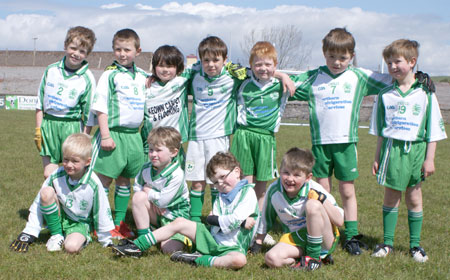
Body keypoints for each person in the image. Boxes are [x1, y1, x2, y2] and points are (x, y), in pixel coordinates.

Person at [290, 27, 394, 255]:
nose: (337, 62)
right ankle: (330, 231)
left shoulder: (359, 76)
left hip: (347, 143)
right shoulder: (313, 77)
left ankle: (352, 235)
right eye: (331, 57)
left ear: (352, 56)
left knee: (347, 190)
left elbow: (394, 79)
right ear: (324, 53)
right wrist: (277, 76)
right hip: (320, 145)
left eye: (343, 58)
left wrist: (419, 78)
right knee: (323, 191)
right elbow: (285, 83)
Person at [112, 152, 259, 270]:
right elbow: (221, 220)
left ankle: (197, 259)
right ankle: (137, 246)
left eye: (223, 177)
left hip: (232, 247)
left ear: (237, 172)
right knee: (179, 222)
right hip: (211, 238)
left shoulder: (248, 193)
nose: (220, 184)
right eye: (215, 182)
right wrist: (232, 221)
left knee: (239, 260)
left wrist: (219, 220)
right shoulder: (222, 194)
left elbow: (230, 220)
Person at [369, 39, 447, 262]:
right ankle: (387, 243)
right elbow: (381, 131)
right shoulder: (385, 94)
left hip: (417, 151)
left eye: (398, 61)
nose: (393, 66)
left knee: (414, 197)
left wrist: (429, 159)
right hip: (392, 150)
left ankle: (415, 246)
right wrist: (377, 157)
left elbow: (433, 129)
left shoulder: (426, 93)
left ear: (412, 62)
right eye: (389, 62)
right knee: (391, 196)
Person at [10, 133, 114, 253]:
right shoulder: (56, 175)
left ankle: (77, 237)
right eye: (66, 159)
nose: (69, 165)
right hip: (60, 217)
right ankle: (56, 235)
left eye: (75, 161)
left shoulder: (94, 183)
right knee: (46, 192)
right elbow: (39, 201)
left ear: (87, 161)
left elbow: (101, 210)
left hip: (79, 223)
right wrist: (29, 231)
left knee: (71, 247)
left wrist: (106, 240)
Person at [90, 28, 147, 239]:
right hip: (113, 134)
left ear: (137, 51)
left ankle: (119, 223)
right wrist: (105, 135)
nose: (122, 54)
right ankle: (101, 223)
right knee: (103, 180)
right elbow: (100, 107)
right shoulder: (109, 74)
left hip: (134, 137)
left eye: (127, 49)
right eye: (118, 49)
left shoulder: (143, 77)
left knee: (125, 181)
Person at [251, 147, 344, 271]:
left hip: (324, 238)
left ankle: (314, 257)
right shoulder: (274, 191)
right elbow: (265, 218)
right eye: (286, 173)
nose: (290, 179)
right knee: (271, 258)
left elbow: (339, 221)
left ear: (308, 177)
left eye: (296, 175)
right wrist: (258, 243)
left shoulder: (315, 188)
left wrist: (321, 199)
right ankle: (307, 260)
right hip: (297, 238)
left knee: (312, 205)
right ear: (280, 171)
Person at [230, 41, 290, 210]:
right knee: (244, 185)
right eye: (258, 64)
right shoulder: (242, 81)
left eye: (268, 64)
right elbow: (227, 67)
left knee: (261, 188)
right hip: (244, 136)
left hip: (266, 138)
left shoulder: (281, 85)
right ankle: (242, 220)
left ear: (275, 65)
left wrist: (282, 76)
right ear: (251, 66)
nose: (263, 68)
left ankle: (259, 225)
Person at [35, 26, 97, 179]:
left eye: (82, 51)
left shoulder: (87, 78)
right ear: (65, 46)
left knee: (72, 176)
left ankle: (69, 202)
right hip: (48, 126)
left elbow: (89, 113)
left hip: (72, 127)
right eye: (73, 48)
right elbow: (39, 104)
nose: (76, 54)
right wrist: (38, 130)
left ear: (87, 54)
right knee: (49, 174)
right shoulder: (51, 70)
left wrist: (84, 137)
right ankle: (52, 202)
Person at [132, 127, 190, 254]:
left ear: (174, 152)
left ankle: (182, 236)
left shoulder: (176, 174)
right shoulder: (146, 168)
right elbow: (136, 187)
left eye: (158, 150)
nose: (153, 154)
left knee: (168, 250)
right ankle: (144, 237)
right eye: (151, 150)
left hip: (175, 218)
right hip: (157, 212)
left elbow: (163, 201)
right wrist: (151, 198)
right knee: (138, 197)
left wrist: (147, 190)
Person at [140, 45, 191, 159]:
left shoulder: (182, 81)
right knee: (148, 175)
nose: (165, 70)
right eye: (161, 65)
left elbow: (200, 67)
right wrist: (150, 77)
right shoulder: (146, 84)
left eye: (170, 66)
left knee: (177, 175)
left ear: (177, 68)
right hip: (151, 144)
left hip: (175, 142)